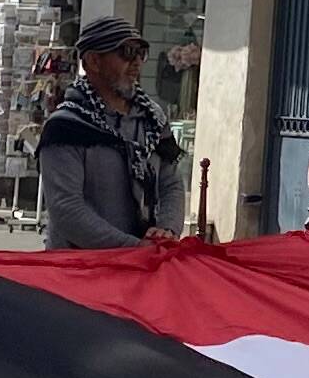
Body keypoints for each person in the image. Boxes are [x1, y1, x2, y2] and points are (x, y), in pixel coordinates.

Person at [37, 16, 193, 249]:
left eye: (141, 53)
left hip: (141, 265)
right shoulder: (66, 127)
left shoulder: (152, 119)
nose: (137, 62)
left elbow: (170, 183)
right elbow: (66, 208)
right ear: (94, 61)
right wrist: (130, 247)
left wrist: (167, 230)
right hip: (79, 269)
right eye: (127, 52)